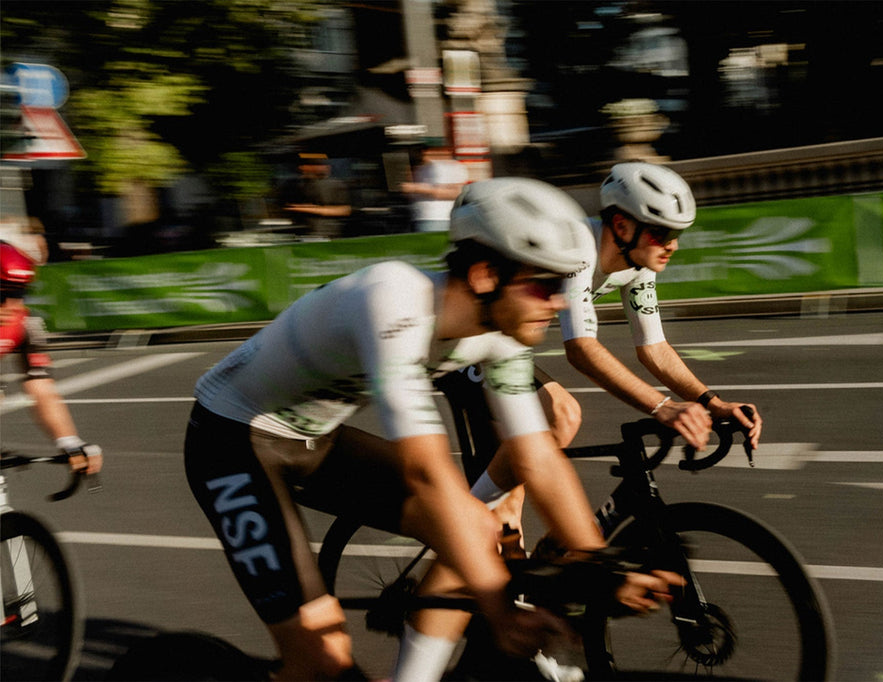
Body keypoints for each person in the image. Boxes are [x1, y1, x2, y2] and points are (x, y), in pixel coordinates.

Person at [183, 177, 676, 681]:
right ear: (485, 275)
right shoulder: (395, 302)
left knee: (481, 530)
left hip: (314, 438)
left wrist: (598, 567)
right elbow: (427, 474)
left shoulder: (499, 335)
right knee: (322, 658)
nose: (562, 302)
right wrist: (498, 608)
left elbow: (537, 458)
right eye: (544, 286)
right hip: (231, 440)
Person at [560, 161, 763, 449]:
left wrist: (713, 404)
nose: (673, 246)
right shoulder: (578, 244)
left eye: (677, 235)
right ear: (621, 226)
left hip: (503, 343)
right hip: (478, 338)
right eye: (663, 235)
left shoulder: (639, 263)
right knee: (561, 414)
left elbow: (653, 348)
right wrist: (663, 407)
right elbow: (580, 348)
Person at [0, 241, 103, 476]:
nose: (12, 305)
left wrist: (69, 441)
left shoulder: (26, 324)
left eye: (19, 293)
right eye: (2, 294)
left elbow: (42, 389)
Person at [280, 153, 352, 239]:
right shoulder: (296, 185)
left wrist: (308, 209)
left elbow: (344, 210)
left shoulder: (335, 184)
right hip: (303, 233)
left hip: (327, 234)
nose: (303, 168)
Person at [401, 145, 470, 233]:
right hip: (420, 217)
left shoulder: (452, 167)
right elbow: (410, 193)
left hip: (438, 219)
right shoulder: (422, 168)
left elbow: (456, 193)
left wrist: (417, 188)